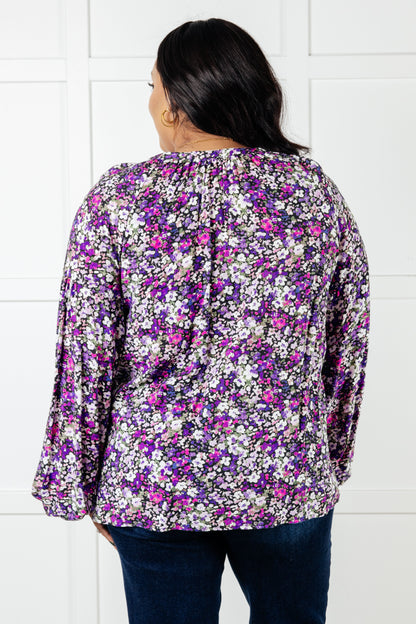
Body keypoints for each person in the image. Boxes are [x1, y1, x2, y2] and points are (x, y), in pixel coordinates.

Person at [32, 17, 370, 624]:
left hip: (151, 481)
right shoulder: (314, 196)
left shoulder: (119, 199)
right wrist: (329, 457)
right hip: (285, 473)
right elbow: (347, 343)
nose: (151, 102)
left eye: (153, 85)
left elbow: (86, 353)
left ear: (176, 103)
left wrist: (79, 479)